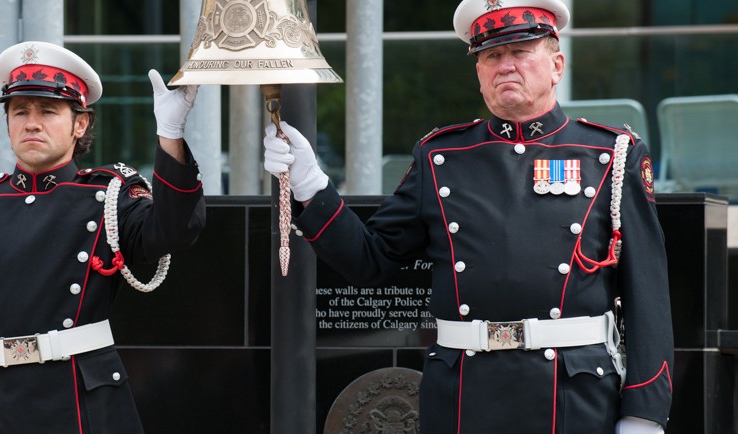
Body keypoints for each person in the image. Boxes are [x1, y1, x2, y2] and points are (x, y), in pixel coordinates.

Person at [263, 0, 673, 433]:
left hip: (574, 397)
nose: (505, 66)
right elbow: (372, 260)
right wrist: (310, 185)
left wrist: (643, 414)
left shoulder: (611, 155)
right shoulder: (441, 157)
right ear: (479, 73)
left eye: (520, 51)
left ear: (557, 64)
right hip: (463, 396)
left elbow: (646, 293)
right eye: (491, 56)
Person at [0, 41, 205, 433]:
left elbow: (175, 230)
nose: (31, 123)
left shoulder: (109, 195)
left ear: (81, 123)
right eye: (19, 111)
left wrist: (169, 136)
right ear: (7, 122)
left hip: (85, 406)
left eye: (49, 111)